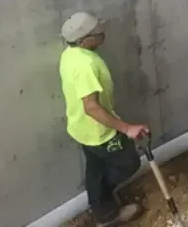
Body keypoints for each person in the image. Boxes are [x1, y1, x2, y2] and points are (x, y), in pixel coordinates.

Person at [59, 12, 148, 226]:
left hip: (82, 128)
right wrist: (127, 129)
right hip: (99, 132)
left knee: (95, 168)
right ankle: (105, 207)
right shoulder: (85, 66)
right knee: (129, 163)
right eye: (96, 33)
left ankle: (102, 209)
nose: (102, 34)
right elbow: (91, 107)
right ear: (83, 40)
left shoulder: (70, 55)